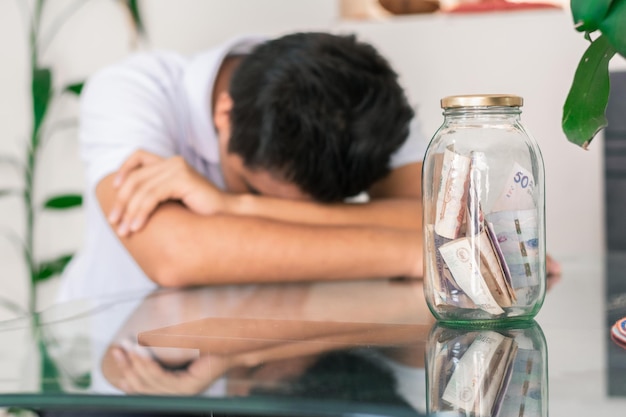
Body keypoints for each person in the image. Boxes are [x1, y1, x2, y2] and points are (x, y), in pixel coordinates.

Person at [57, 32, 428, 301]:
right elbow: (175, 256)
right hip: (120, 368)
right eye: (252, 189)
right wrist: (410, 255)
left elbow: (426, 222)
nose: (288, 217)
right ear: (225, 112)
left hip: (272, 352)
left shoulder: (365, 108)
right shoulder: (134, 91)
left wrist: (239, 205)